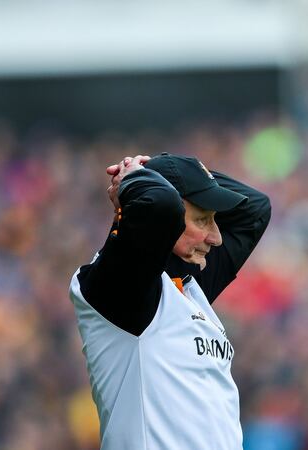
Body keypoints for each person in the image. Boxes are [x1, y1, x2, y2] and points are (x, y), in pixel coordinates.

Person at [69, 152, 271, 449]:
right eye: (202, 220)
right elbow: (161, 203)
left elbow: (255, 208)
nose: (215, 237)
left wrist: (165, 171)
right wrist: (136, 178)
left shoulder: (187, 286)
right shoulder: (122, 289)